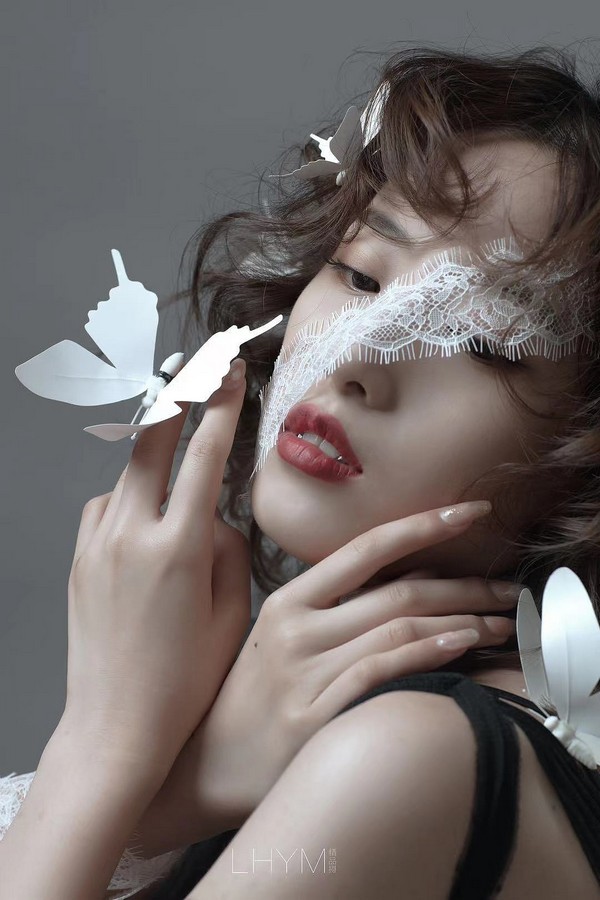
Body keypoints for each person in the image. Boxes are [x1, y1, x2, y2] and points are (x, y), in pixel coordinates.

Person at [2, 44, 600, 900]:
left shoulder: (410, 760)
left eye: (484, 341)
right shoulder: (358, 731)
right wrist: (179, 800)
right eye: (360, 274)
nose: (357, 357)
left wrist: (103, 742)